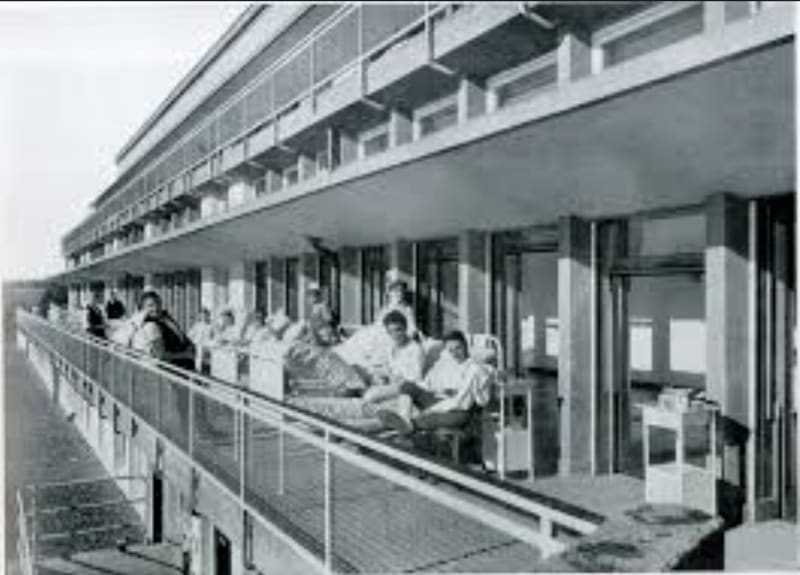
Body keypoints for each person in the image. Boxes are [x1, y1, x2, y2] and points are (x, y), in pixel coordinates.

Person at [376, 330, 493, 434]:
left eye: (458, 348)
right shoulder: (448, 363)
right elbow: (430, 384)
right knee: (408, 386)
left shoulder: (474, 369)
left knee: (452, 417)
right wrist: (427, 390)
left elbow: (461, 402)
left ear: (466, 346)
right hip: (439, 399)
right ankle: (404, 418)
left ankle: (409, 425)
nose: (455, 353)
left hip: (459, 410)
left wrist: (430, 410)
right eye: (451, 350)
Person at [362, 310, 425, 404]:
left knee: (370, 396)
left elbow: (415, 377)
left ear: (405, 328)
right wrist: (380, 375)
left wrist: (392, 375)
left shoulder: (415, 349)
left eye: (398, 330)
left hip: (407, 386)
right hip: (391, 384)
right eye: (390, 331)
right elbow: (383, 365)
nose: (395, 335)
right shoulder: (391, 346)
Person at [130, 290, 195, 371]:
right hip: (172, 372)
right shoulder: (151, 326)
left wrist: (190, 345)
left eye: (158, 303)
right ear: (142, 309)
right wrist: (186, 354)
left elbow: (180, 335)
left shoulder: (164, 318)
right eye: (150, 305)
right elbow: (161, 355)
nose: (156, 308)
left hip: (184, 367)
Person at [188, 308, 215, 373]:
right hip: (198, 347)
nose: (204, 317)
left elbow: (214, 337)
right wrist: (193, 341)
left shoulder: (211, 326)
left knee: (207, 365)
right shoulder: (197, 325)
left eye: (206, 315)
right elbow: (189, 335)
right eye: (202, 315)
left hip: (207, 348)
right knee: (197, 365)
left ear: (208, 315)